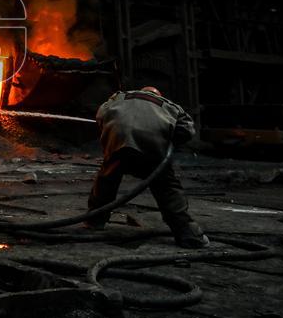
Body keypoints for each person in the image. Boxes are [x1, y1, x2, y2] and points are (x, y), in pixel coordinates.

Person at [86, 86, 210, 248]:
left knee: (106, 179)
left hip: (119, 140)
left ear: (143, 91)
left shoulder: (121, 97)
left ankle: (94, 220)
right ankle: (188, 235)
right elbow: (187, 130)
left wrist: (111, 133)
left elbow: (101, 113)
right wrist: (170, 138)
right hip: (151, 146)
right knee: (166, 187)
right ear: (158, 95)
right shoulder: (169, 106)